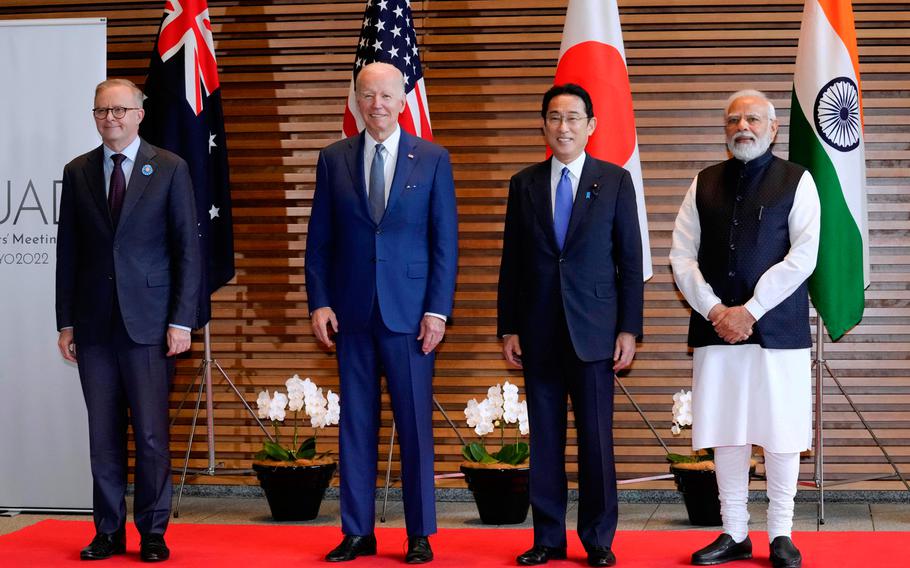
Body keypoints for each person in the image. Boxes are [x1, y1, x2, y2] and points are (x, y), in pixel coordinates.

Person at [305, 61, 458, 564]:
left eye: (386, 96)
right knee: (356, 426)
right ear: (357, 100)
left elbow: (444, 244)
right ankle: (357, 531)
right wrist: (320, 301)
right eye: (367, 96)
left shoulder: (432, 158)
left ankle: (419, 534)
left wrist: (437, 310)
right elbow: (319, 241)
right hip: (351, 314)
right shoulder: (333, 158)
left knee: (414, 426)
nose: (377, 105)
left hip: (412, 318)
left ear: (402, 100)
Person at [669, 89, 821, 568]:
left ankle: (780, 534)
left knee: (780, 432)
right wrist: (716, 310)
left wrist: (751, 310)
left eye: (753, 119)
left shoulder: (798, 181)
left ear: (773, 128)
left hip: (777, 332)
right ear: (725, 130)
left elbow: (803, 257)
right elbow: (681, 257)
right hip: (717, 331)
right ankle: (734, 531)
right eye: (733, 120)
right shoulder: (703, 183)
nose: (743, 127)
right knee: (727, 431)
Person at [497, 84, 644, 568]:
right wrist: (508, 327)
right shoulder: (525, 184)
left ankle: (599, 539)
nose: (564, 126)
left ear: (591, 126)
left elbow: (629, 259)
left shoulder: (616, 180)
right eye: (555, 117)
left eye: (573, 118)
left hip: (596, 331)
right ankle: (548, 538)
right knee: (544, 441)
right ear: (543, 124)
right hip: (538, 331)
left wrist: (629, 328)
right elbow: (511, 263)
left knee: (596, 442)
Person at [56, 78, 201, 563]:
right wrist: (66, 322)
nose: (110, 118)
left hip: (152, 326)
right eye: (101, 111)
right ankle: (108, 530)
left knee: (153, 435)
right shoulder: (77, 173)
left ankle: (153, 532)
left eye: (120, 110)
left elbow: (187, 250)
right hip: (95, 326)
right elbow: (68, 255)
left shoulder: (170, 168)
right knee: (103, 435)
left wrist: (182, 320)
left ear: (140, 114)